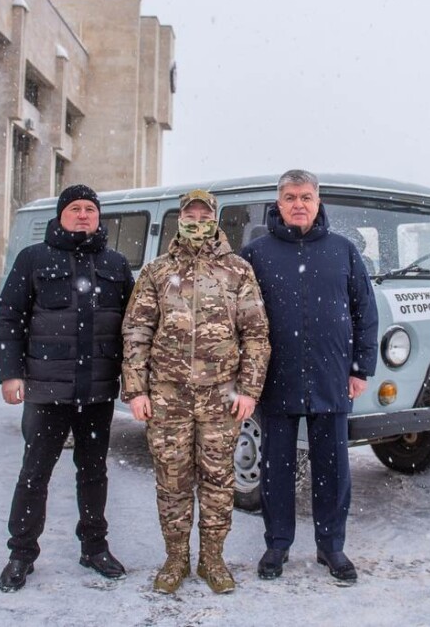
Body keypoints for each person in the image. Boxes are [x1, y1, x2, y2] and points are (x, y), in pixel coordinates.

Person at [122, 189, 270, 595]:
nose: (197, 219)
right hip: (167, 398)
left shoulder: (238, 271)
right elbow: (137, 332)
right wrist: (137, 390)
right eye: (190, 212)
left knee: (219, 481)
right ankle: (174, 560)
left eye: (205, 213)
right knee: (171, 481)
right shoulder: (156, 272)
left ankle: (212, 559)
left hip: (221, 398)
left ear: (215, 219)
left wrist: (249, 389)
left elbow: (256, 334)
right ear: (179, 217)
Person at [238, 169, 378, 585]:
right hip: (275, 379)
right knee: (277, 468)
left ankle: (331, 546)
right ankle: (277, 543)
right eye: (290, 197)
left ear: (319, 203)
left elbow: (364, 314)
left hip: (331, 377)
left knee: (333, 468)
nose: (298, 204)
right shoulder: (256, 254)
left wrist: (360, 368)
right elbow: (237, 319)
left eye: (306, 197)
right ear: (277, 204)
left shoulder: (343, 251)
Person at [0, 184, 135, 593]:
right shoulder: (33, 259)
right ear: (61, 216)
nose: (84, 215)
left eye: (91, 208)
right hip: (46, 391)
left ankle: (94, 547)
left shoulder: (114, 262)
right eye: (76, 208)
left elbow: (131, 326)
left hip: (96, 392)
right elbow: (10, 317)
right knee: (35, 473)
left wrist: (132, 380)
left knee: (94, 473)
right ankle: (21, 553)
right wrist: (10, 373)